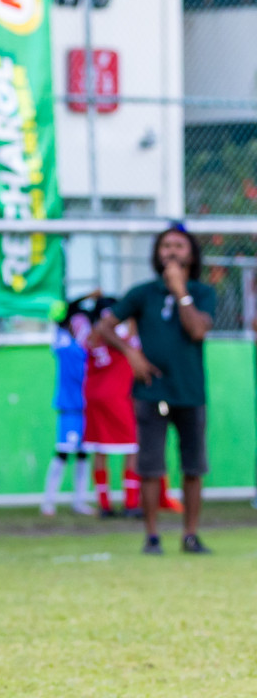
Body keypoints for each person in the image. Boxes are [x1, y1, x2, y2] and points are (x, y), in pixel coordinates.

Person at [96, 226, 217, 555]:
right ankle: (151, 536)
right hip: (151, 391)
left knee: (193, 467)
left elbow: (197, 331)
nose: (171, 252)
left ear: (191, 253)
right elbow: (103, 326)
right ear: (157, 253)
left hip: (190, 392)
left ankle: (190, 535)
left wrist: (181, 292)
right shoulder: (142, 293)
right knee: (150, 467)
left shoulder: (202, 292)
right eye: (165, 246)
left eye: (178, 246)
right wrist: (130, 353)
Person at [82, 297, 142, 518]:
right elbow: (133, 344)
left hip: (93, 396)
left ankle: (104, 504)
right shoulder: (121, 339)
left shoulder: (90, 337)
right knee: (133, 446)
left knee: (99, 448)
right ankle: (131, 502)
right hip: (118, 396)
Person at [41, 298, 92, 517]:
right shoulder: (61, 342)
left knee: (83, 455)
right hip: (69, 409)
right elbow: (65, 311)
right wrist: (89, 295)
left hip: (87, 408)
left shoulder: (85, 346)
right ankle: (49, 501)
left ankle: (80, 500)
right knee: (63, 452)